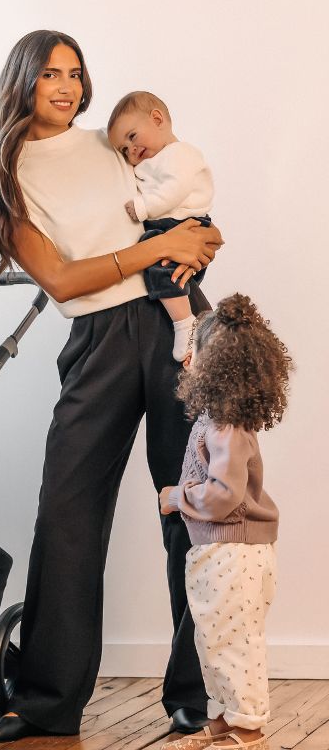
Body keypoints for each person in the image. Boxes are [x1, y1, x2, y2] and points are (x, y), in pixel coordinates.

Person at [0, 30, 224, 743]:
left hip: (177, 323)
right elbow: (63, 278)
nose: (67, 87)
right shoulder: (7, 173)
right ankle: (46, 699)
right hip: (101, 338)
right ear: (21, 80)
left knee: (193, 506)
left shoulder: (108, 143)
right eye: (51, 73)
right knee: (68, 514)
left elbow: (176, 208)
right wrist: (157, 246)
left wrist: (194, 236)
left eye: (75, 73)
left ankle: (199, 695)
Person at [158, 294, 292, 750]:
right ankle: (221, 725)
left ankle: (249, 729)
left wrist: (177, 497)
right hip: (217, 550)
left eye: (195, 349)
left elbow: (224, 494)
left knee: (235, 643)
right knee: (212, 640)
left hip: (234, 553)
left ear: (216, 365)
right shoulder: (214, 420)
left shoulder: (227, 428)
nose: (186, 356)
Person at [107, 91, 215, 361]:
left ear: (157, 119)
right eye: (124, 149)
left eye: (132, 137)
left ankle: (184, 322)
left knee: (158, 263)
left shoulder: (180, 154)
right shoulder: (149, 162)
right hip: (171, 225)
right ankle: (186, 324)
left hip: (184, 224)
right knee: (159, 268)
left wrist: (143, 207)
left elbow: (174, 190)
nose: (131, 149)